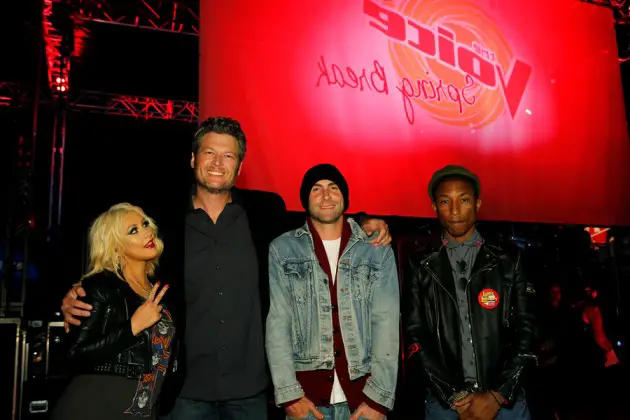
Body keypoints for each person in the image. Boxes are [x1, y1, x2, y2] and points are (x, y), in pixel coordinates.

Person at [61, 117, 393, 420]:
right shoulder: (163, 220)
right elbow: (119, 247)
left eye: (228, 155)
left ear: (240, 166)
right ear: (193, 159)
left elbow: (318, 221)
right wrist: (84, 292)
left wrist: (364, 221)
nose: (218, 163)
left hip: (251, 391)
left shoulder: (266, 212)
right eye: (209, 153)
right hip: (183, 390)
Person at [266, 164, 400, 420]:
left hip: (364, 402)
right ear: (305, 200)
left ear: (345, 197)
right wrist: (289, 395)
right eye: (316, 189)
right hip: (306, 404)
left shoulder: (376, 248)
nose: (326, 196)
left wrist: (379, 400)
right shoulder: (282, 249)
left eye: (333, 188)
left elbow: (386, 323)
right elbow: (278, 323)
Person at [403, 165, 536, 420]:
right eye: (445, 201)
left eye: (463, 200)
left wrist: (498, 394)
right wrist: (453, 395)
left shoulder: (509, 260)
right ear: (434, 207)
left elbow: (528, 329)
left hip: (506, 402)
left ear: (477, 204)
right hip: (445, 405)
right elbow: (414, 334)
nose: (455, 211)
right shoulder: (420, 264)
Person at [52, 203, 175, 420]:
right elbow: (74, 354)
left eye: (145, 224)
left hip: (143, 410)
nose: (147, 232)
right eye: (133, 230)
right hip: (96, 407)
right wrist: (132, 327)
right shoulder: (100, 287)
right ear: (116, 247)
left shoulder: (162, 289)